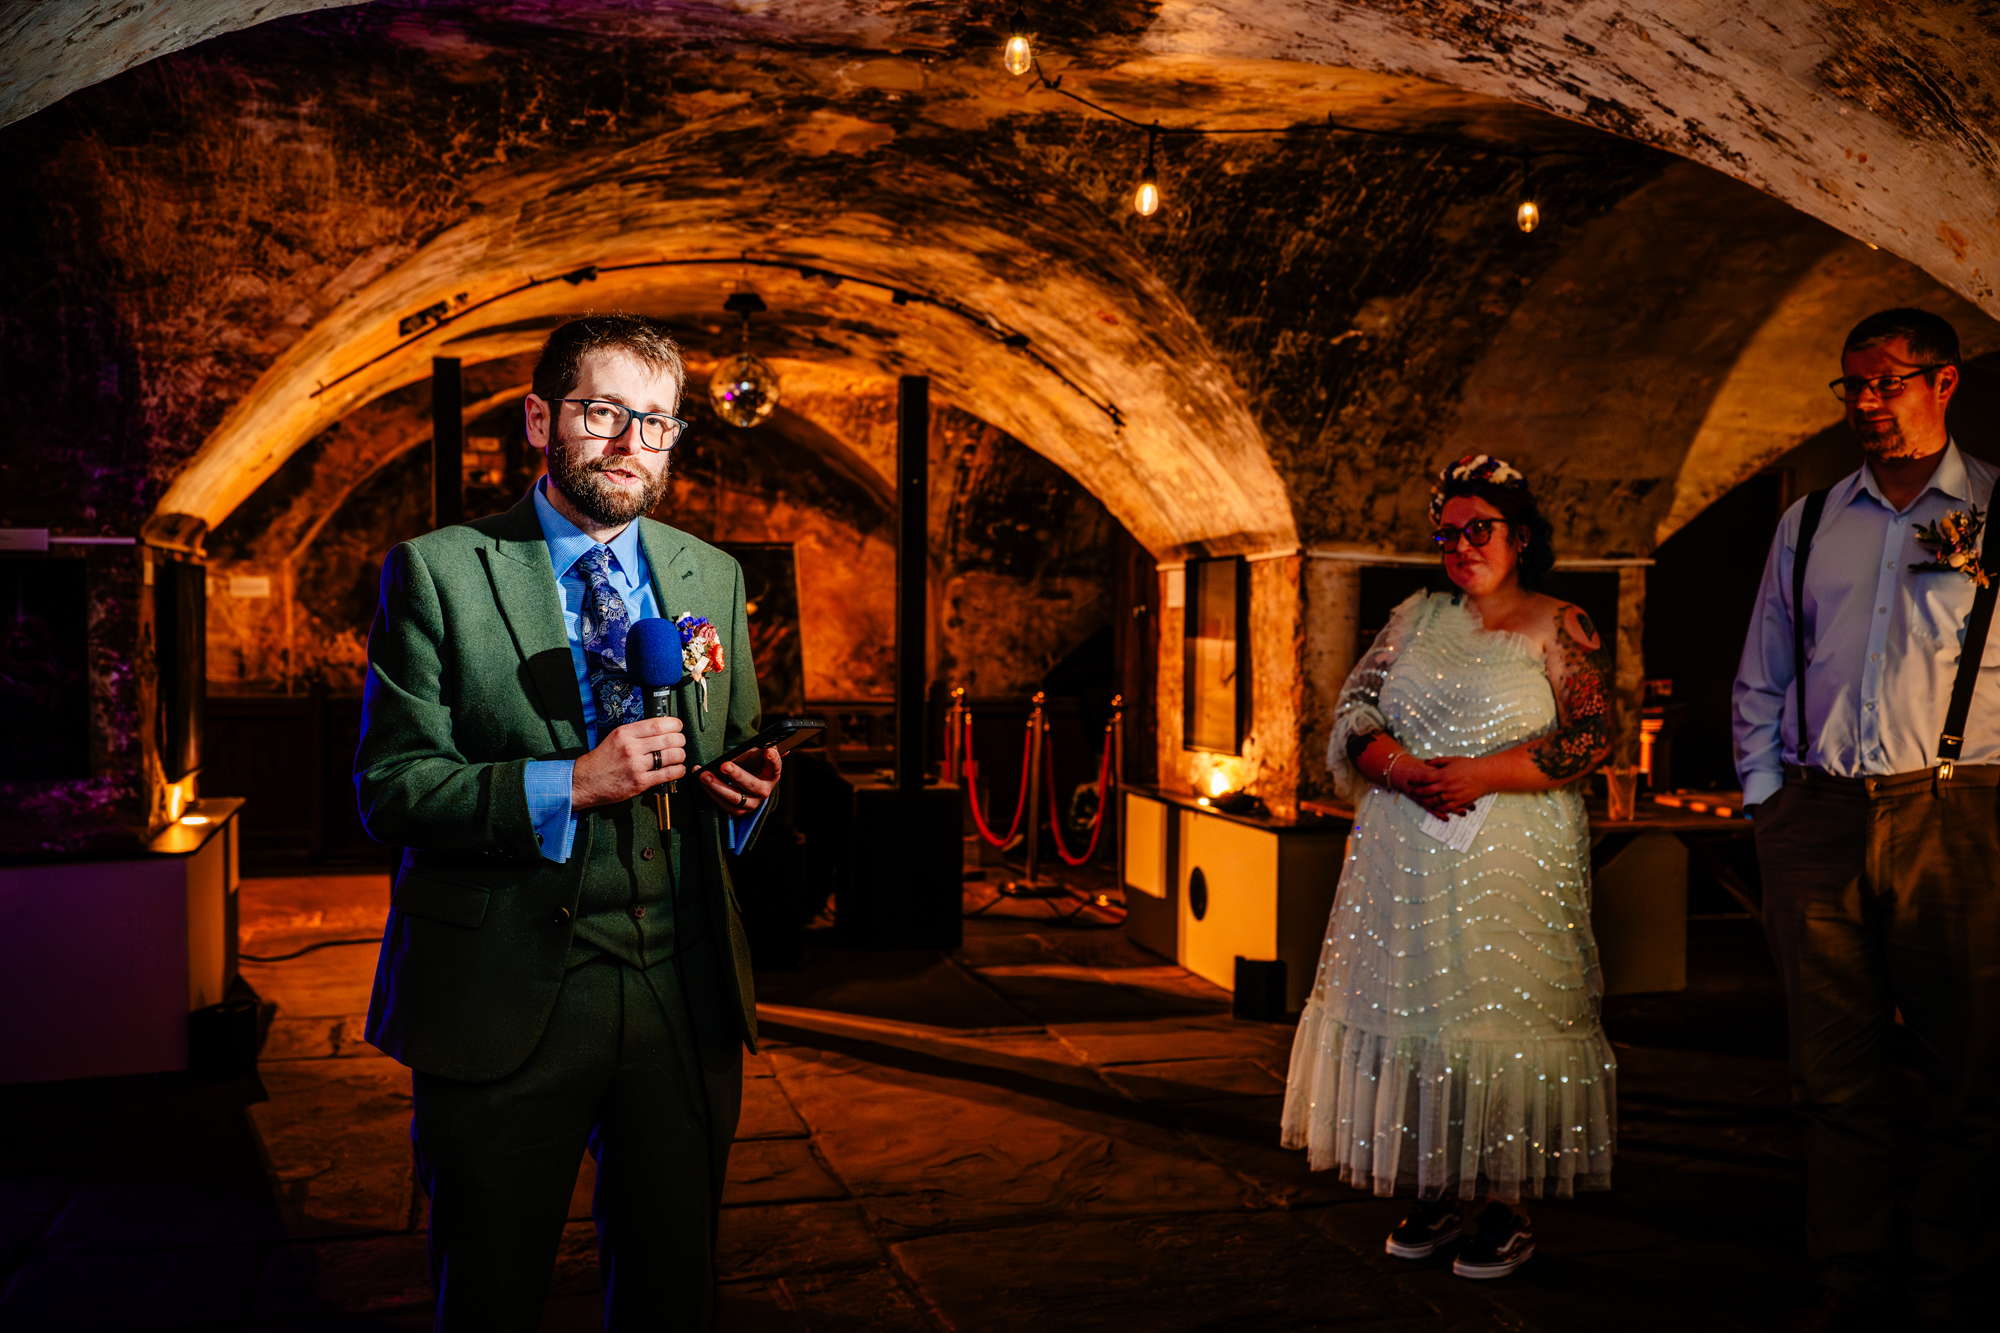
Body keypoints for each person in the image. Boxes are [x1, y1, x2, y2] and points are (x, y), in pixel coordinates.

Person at [356, 313, 784, 1331]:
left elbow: (734, 739)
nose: (632, 442)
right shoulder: (439, 571)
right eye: (603, 412)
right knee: (492, 1291)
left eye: (657, 421)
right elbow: (392, 787)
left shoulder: (710, 574)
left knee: (674, 1287)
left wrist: (748, 790)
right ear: (541, 419)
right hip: (505, 989)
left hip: (682, 989)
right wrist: (573, 783)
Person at [1282, 454, 1618, 1279]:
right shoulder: (1415, 617)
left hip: (1512, 857)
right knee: (1420, 1008)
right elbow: (1355, 708)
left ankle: (1506, 1201)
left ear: (1520, 536)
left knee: (1499, 1012)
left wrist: (1481, 773)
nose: (1462, 545)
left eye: (1479, 529)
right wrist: (1399, 767)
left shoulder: (1560, 623)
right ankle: (1436, 1183)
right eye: (1448, 534)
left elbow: (1590, 734)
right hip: (1405, 853)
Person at [1733, 307, 1996, 1331]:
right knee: (1829, 1075)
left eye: (1888, 381)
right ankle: (1849, 1276)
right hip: (1817, 815)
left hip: (1957, 814)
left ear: (1944, 382)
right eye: (1853, 385)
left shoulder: (1995, 509)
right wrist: (1766, 801)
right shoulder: (1807, 522)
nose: (1868, 403)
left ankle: (1946, 1281)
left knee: (1969, 1074)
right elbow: (1762, 672)